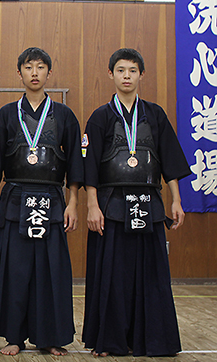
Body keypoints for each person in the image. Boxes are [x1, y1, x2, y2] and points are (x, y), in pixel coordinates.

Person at [82, 48, 189, 357]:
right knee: (111, 274)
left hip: (149, 202)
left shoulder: (155, 114)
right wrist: (92, 205)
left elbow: (168, 160)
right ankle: (109, 340)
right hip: (111, 204)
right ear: (111, 75)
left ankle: (153, 340)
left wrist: (176, 201)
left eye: (132, 70)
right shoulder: (100, 117)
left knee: (151, 275)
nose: (126, 76)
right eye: (120, 70)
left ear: (142, 75)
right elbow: (90, 166)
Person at [0, 47, 83, 356]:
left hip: (52, 199)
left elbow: (75, 162)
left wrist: (73, 201)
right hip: (14, 198)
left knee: (51, 271)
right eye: (29, 67)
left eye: (40, 67)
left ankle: (49, 337)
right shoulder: (7, 114)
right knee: (16, 270)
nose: (35, 73)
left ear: (49, 73)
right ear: (19, 73)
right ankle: (14, 336)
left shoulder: (64, 114)